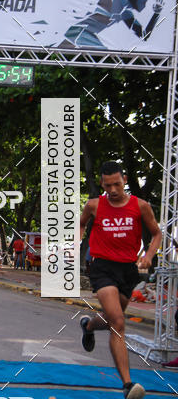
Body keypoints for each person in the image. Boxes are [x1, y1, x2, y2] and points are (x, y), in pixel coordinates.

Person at [78, 161, 161, 399]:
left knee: (112, 318)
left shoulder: (141, 206)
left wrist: (148, 256)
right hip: (102, 267)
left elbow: (156, 234)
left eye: (117, 184)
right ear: (102, 184)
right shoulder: (94, 205)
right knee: (118, 321)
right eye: (107, 186)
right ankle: (127, 385)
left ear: (124, 180)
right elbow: (81, 224)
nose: (113, 190)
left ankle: (89, 326)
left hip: (128, 270)